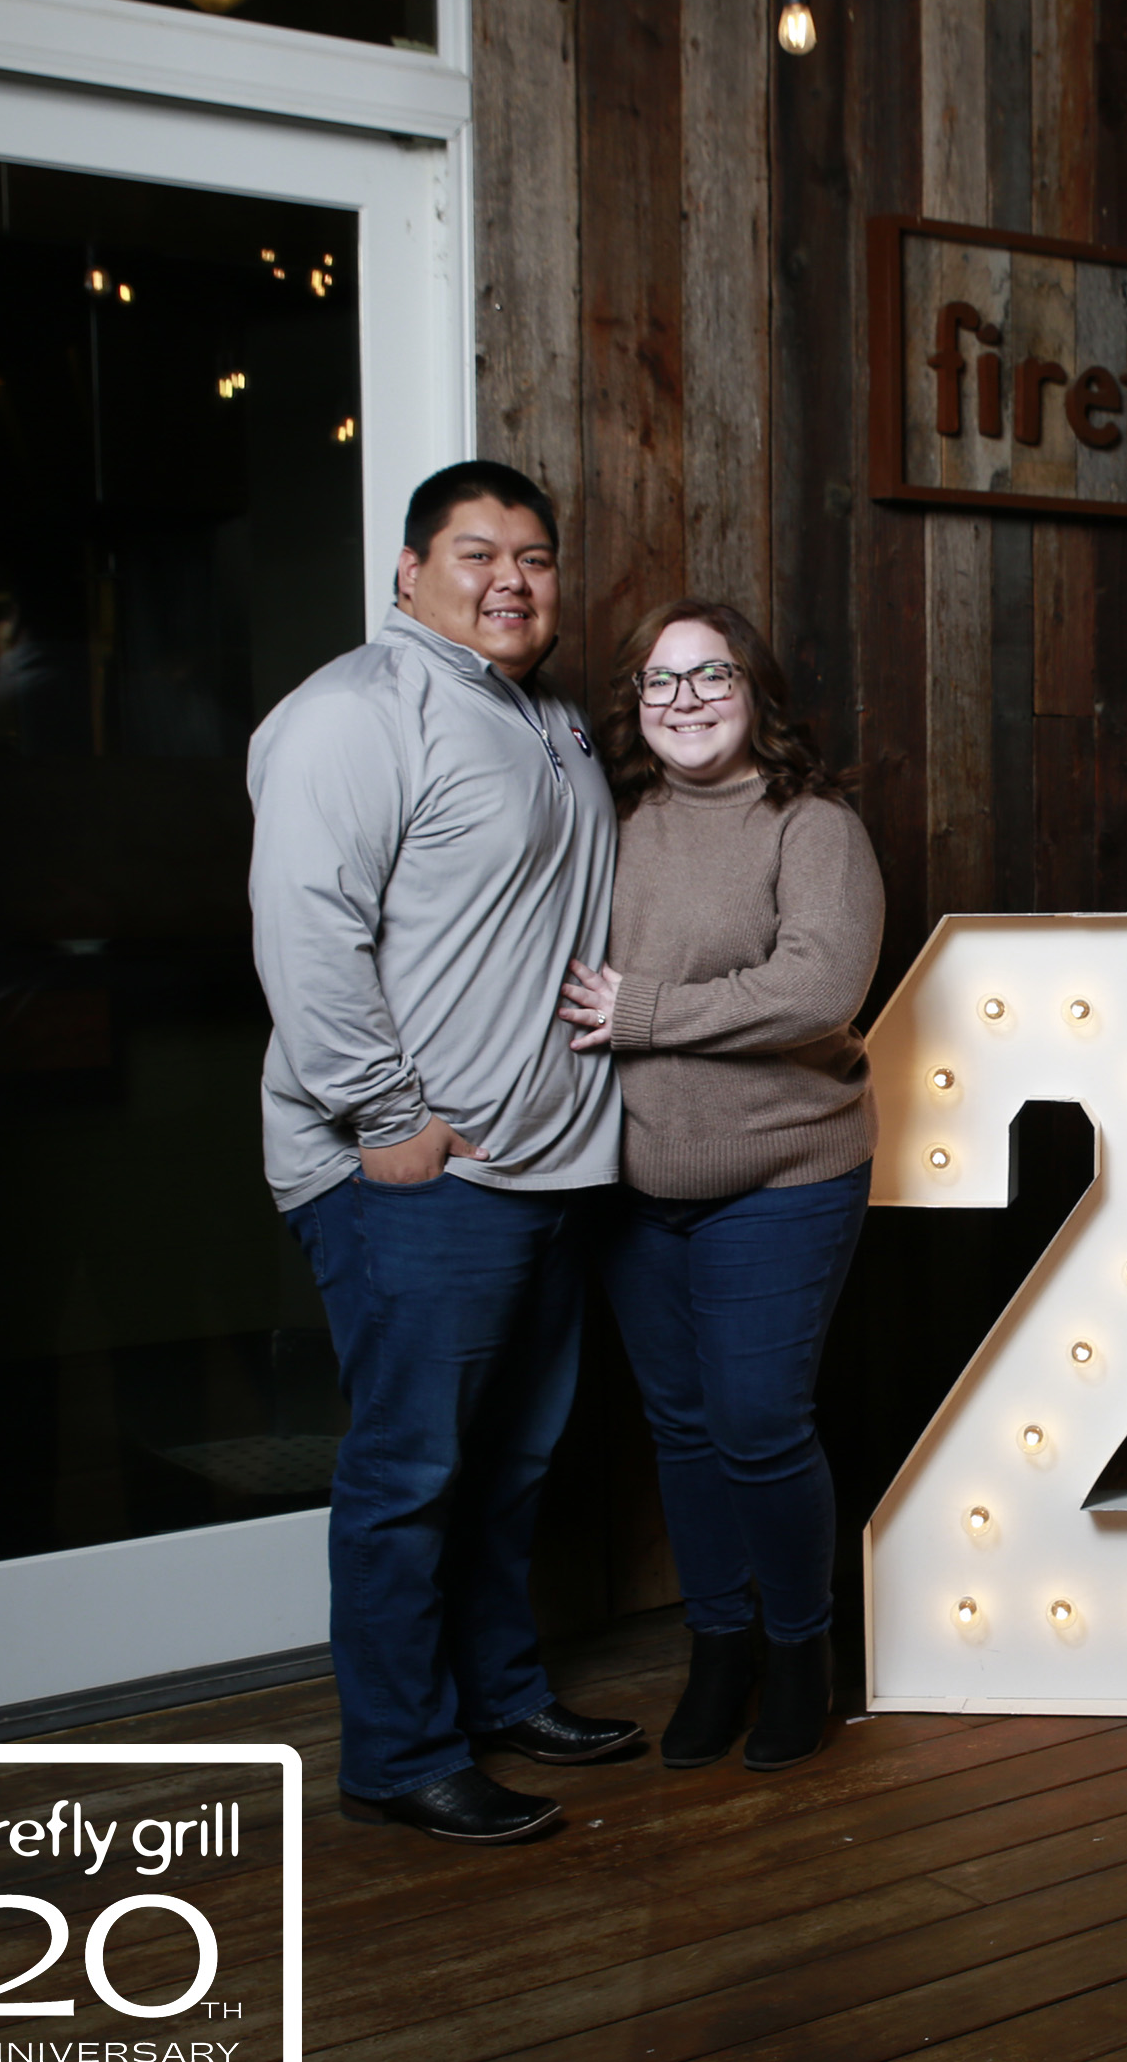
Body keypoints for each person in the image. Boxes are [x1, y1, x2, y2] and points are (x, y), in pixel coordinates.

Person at [247, 460, 646, 1847]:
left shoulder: (540, 716)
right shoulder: (355, 713)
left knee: (510, 1468)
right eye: (476, 553)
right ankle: (403, 1752)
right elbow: (307, 931)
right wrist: (385, 1119)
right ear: (409, 570)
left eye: (533, 555)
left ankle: (500, 1694)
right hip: (420, 1175)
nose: (511, 580)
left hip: (539, 1168)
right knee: (412, 1475)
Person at [557, 598, 882, 1772]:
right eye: (660, 680)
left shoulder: (812, 827)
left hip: (782, 1171)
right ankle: (721, 1648)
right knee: (684, 1431)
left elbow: (817, 988)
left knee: (756, 1423)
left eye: (712, 676)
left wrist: (641, 1013)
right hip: (636, 1181)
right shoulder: (612, 822)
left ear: (756, 693)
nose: (685, 700)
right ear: (634, 706)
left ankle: (802, 1652)